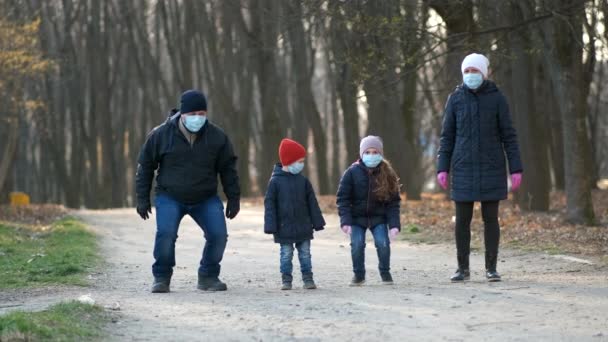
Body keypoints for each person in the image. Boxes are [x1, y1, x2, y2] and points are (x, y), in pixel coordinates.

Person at [135, 89, 241, 293]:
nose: (197, 118)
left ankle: (208, 276)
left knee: (218, 235)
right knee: (166, 234)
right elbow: (145, 166)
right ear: (182, 114)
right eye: (193, 114)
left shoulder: (217, 137)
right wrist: (142, 198)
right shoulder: (160, 135)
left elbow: (228, 168)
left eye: (202, 114)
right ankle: (161, 277)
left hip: (205, 197)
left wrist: (233, 197)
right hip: (170, 196)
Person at [437, 53, 523, 282]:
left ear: (484, 73)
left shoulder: (497, 99)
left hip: (491, 168)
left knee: (490, 220)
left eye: (475, 71)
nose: (470, 75)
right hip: (463, 168)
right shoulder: (455, 99)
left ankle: (491, 268)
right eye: (467, 71)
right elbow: (447, 137)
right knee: (462, 221)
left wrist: (516, 168)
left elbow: (509, 136)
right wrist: (442, 167)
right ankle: (462, 268)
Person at [336, 136, 401, 286]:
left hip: (379, 218)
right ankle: (359, 275)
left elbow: (393, 203)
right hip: (356, 218)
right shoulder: (351, 173)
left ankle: (385, 272)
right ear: (361, 154)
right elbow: (342, 199)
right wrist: (345, 221)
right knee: (357, 244)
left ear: (380, 154)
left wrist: (394, 225)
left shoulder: (388, 174)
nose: (371, 155)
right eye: (368, 152)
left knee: (383, 243)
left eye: (375, 152)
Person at [264, 138, 326, 290]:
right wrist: (270, 225)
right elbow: (270, 205)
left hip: (303, 226)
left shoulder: (303, 181)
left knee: (305, 254)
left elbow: (312, 203)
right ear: (289, 160)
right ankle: (286, 280)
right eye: (299, 161)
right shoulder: (275, 182)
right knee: (286, 254)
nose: (301, 164)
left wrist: (317, 222)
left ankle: (308, 279)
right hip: (283, 227)